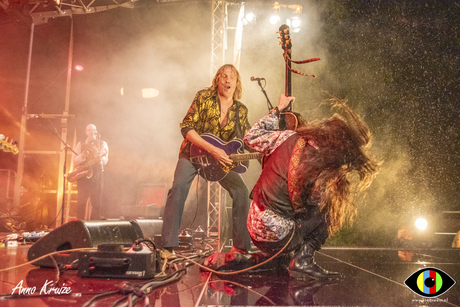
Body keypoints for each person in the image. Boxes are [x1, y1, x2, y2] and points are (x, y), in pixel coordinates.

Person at [239, 94, 381, 280]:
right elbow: (308, 207)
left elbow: (250, 137)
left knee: (296, 207)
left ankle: (277, 258)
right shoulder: (322, 171)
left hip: (253, 229)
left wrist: (277, 111)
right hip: (278, 238)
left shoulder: (288, 136)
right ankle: (303, 261)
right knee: (328, 211)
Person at [161, 64, 253, 256]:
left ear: (237, 83)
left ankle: (241, 247)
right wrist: (213, 150)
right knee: (178, 188)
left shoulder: (240, 111)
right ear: (217, 80)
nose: (228, 80)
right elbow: (187, 128)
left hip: (217, 163)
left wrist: (278, 112)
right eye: (224, 76)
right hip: (193, 154)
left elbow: (250, 139)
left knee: (241, 191)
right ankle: (168, 246)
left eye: (232, 77)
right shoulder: (203, 97)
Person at [73, 124, 108, 220]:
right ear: (86, 132)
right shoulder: (81, 144)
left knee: (96, 204)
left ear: (96, 131)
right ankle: (79, 225)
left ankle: (93, 226)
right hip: (83, 176)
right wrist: (82, 156)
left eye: (94, 129)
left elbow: (106, 159)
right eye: (89, 130)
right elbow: (74, 161)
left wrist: (101, 159)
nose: (92, 131)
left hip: (97, 176)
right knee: (81, 203)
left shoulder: (102, 144)